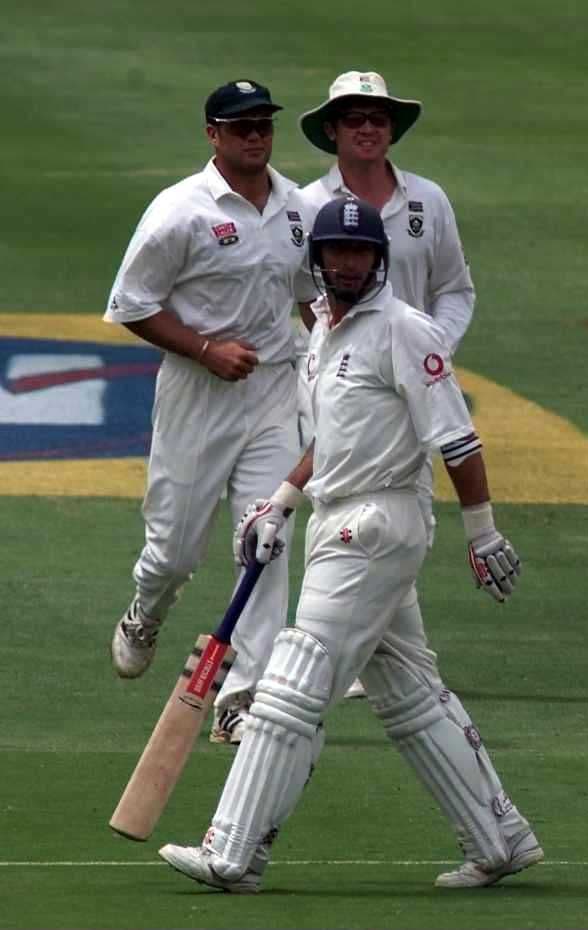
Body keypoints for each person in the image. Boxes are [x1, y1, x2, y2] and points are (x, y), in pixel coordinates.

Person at [158, 197, 541, 892]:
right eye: (337, 252)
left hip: (374, 525)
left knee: (291, 682)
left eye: (361, 253)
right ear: (320, 260)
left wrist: (482, 530)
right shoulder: (325, 337)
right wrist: (281, 499)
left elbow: (456, 438)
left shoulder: (404, 330)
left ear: (379, 260)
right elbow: (330, 443)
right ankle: (500, 838)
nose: (349, 263)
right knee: (410, 693)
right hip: (336, 517)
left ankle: (232, 850)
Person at [105, 79, 312, 744]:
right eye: (241, 126)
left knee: (266, 539)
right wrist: (204, 349)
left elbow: (312, 296)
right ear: (213, 134)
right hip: (199, 394)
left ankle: (246, 696)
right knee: (173, 552)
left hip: (274, 392)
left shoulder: (298, 207)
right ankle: (146, 610)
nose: (256, 136)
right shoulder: (180, 211)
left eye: (264, 125)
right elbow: (131, 302)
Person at [296, 70, 477, 701]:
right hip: (350, 386)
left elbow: (456, 289)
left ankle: (360, 654)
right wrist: (345, 351)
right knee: (363, 507)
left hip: (415, 379)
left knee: (393, 508)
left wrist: (426, 354)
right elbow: (304, 294)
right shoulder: (308, 203)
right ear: (332, 131)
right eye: (354, 118)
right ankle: (383, 662)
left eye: (378, 117)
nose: (369, 128)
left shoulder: (429, 201)